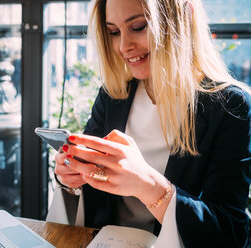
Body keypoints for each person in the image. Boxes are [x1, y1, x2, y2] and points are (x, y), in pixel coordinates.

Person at [54, 0, 251, 247]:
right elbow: (91, 192)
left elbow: (229, 232)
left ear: (183, 20)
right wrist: (71, 177)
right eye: (114, 32)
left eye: (138, 26)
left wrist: (149, 186)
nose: (124, 46)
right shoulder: (113, 96)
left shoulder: (231, 106)